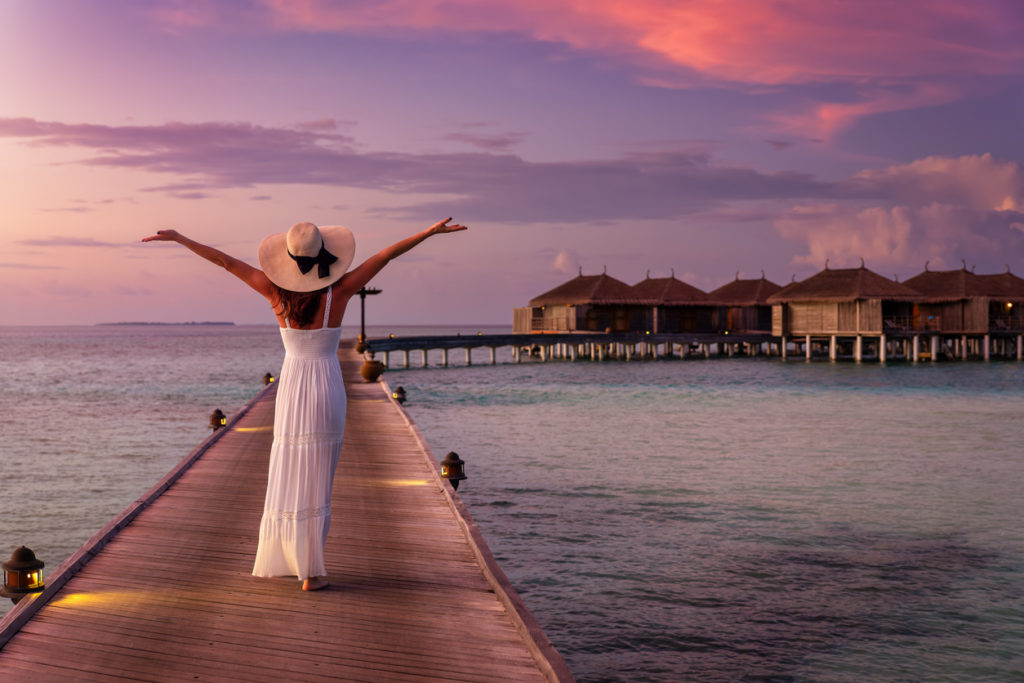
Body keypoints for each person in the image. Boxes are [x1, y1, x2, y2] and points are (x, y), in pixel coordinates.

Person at [142, 218, 467, 590]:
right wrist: (427, 233)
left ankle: (290, 559)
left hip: (293, 384)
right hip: (327, 384)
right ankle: (310, 571)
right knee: (317, 477)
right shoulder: (340, 293)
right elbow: (385, 256)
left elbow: (225, 262)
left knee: (290, 468)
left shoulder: (274, 294)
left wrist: (181, 238)